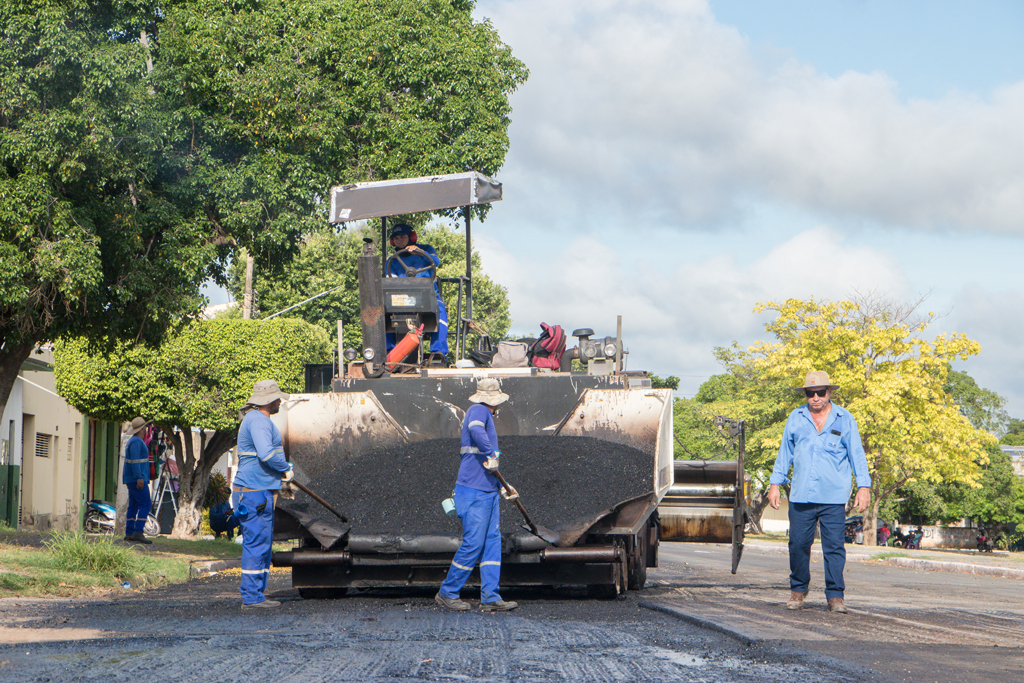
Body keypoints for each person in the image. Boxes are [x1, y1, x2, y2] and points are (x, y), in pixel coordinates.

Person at [768, 370, 871, 614]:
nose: (815, 397)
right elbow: (785, 453)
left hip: (833, 496)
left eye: (820, 392)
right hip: (801, 494)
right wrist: (775, 483)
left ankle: (835, 596)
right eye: (810, 393)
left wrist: (863, 487)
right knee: (798, 545)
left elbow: (857, 454)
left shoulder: (845, 419)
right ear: (805, 394)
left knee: (834, 547)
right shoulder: (796, 417)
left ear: (829, 393)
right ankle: (798, 590)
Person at [436, 378, 519, 612]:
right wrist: (491, 452)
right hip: (472, 492)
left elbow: (489, 466)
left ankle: (490, 596)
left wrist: (504, 486)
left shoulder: (486, 415)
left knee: (491, 543)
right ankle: (447, 592)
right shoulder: (478, 410)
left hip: (488, 492)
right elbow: (475, 430)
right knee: (473, 543)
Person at [234, 379, 295, 609]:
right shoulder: (259, 422)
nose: (280, 401)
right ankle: (251, 598)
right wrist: (285, 468)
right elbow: (266, 455)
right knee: (257, 543)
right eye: (278, 398)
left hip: (256, 491)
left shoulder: (257, 419)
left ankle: (257, 594)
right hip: (254, 493)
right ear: (269, 401)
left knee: (261, 543)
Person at [386, 223, 449, 362]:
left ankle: (438, 352)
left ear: (411, 237)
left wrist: (420, 252)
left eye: (402, 236)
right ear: (392, 241)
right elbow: (391, 281)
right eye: (396, 238)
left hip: (428, 297)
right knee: (382, 313)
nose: (399, 240)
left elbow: (436, 262)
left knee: (441, 312)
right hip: (402, 299)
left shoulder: (426, 250)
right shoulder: (392, 260)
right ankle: (389, 353)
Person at [122, 417, 153, 544]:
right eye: (145, 426)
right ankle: (138, 532)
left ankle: (129, 532)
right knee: (146, 504)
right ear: (142, 428)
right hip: (137, 479)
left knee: (134, 505)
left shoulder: (135, 441)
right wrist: (139, 478)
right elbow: (135, 462)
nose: (146, 428)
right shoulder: (136, 442)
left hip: (133, 478)